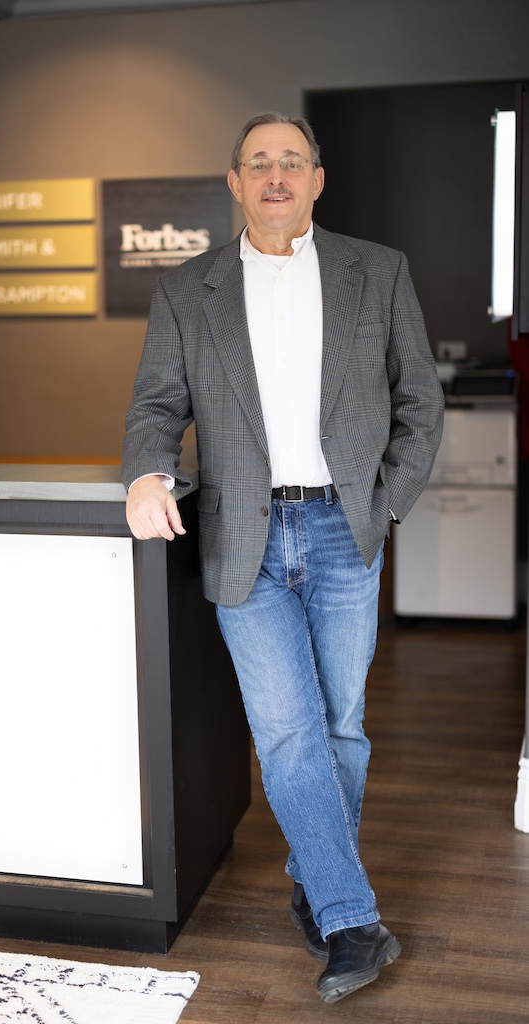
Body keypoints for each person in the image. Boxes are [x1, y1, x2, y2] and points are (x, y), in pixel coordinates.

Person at [122, 111, 444, 1003]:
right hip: (243, 537)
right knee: (288, 730)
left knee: (339, 725)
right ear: (234, 182)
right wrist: (147, 473)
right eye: (258, 162)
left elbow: (420, 401)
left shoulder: (376, 272)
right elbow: (155, 405)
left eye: (290, 162)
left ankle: (313, 875)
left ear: (315, 179)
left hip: (345, 528)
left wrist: (386, 501)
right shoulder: (187, 290)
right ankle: (351, 921)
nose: (275, 176)